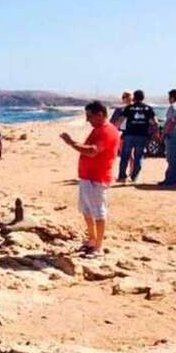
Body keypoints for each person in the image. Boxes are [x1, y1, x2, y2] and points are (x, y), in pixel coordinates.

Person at [60, 101, 121, 255]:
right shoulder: (98, 129)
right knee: (87, 210)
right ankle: (92, 240)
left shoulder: (107, 131)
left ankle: (98, 246)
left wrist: (71, 142)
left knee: (99, 212)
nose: (88, 120)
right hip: (88, 177)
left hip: (97, 178)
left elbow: (93, 151)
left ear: (100, 114)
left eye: (90, 116)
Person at [117, 90, 158, 183]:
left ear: (134, 97)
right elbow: (154, 122)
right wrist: (154, 132)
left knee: (125, 156)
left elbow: (120, 120)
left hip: (129, 135)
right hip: (142, 135)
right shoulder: (148, 108)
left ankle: (122, 176)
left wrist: (115, 130)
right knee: (138, 156)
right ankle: (134, 177)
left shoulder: (129, 108)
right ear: (143, 98)